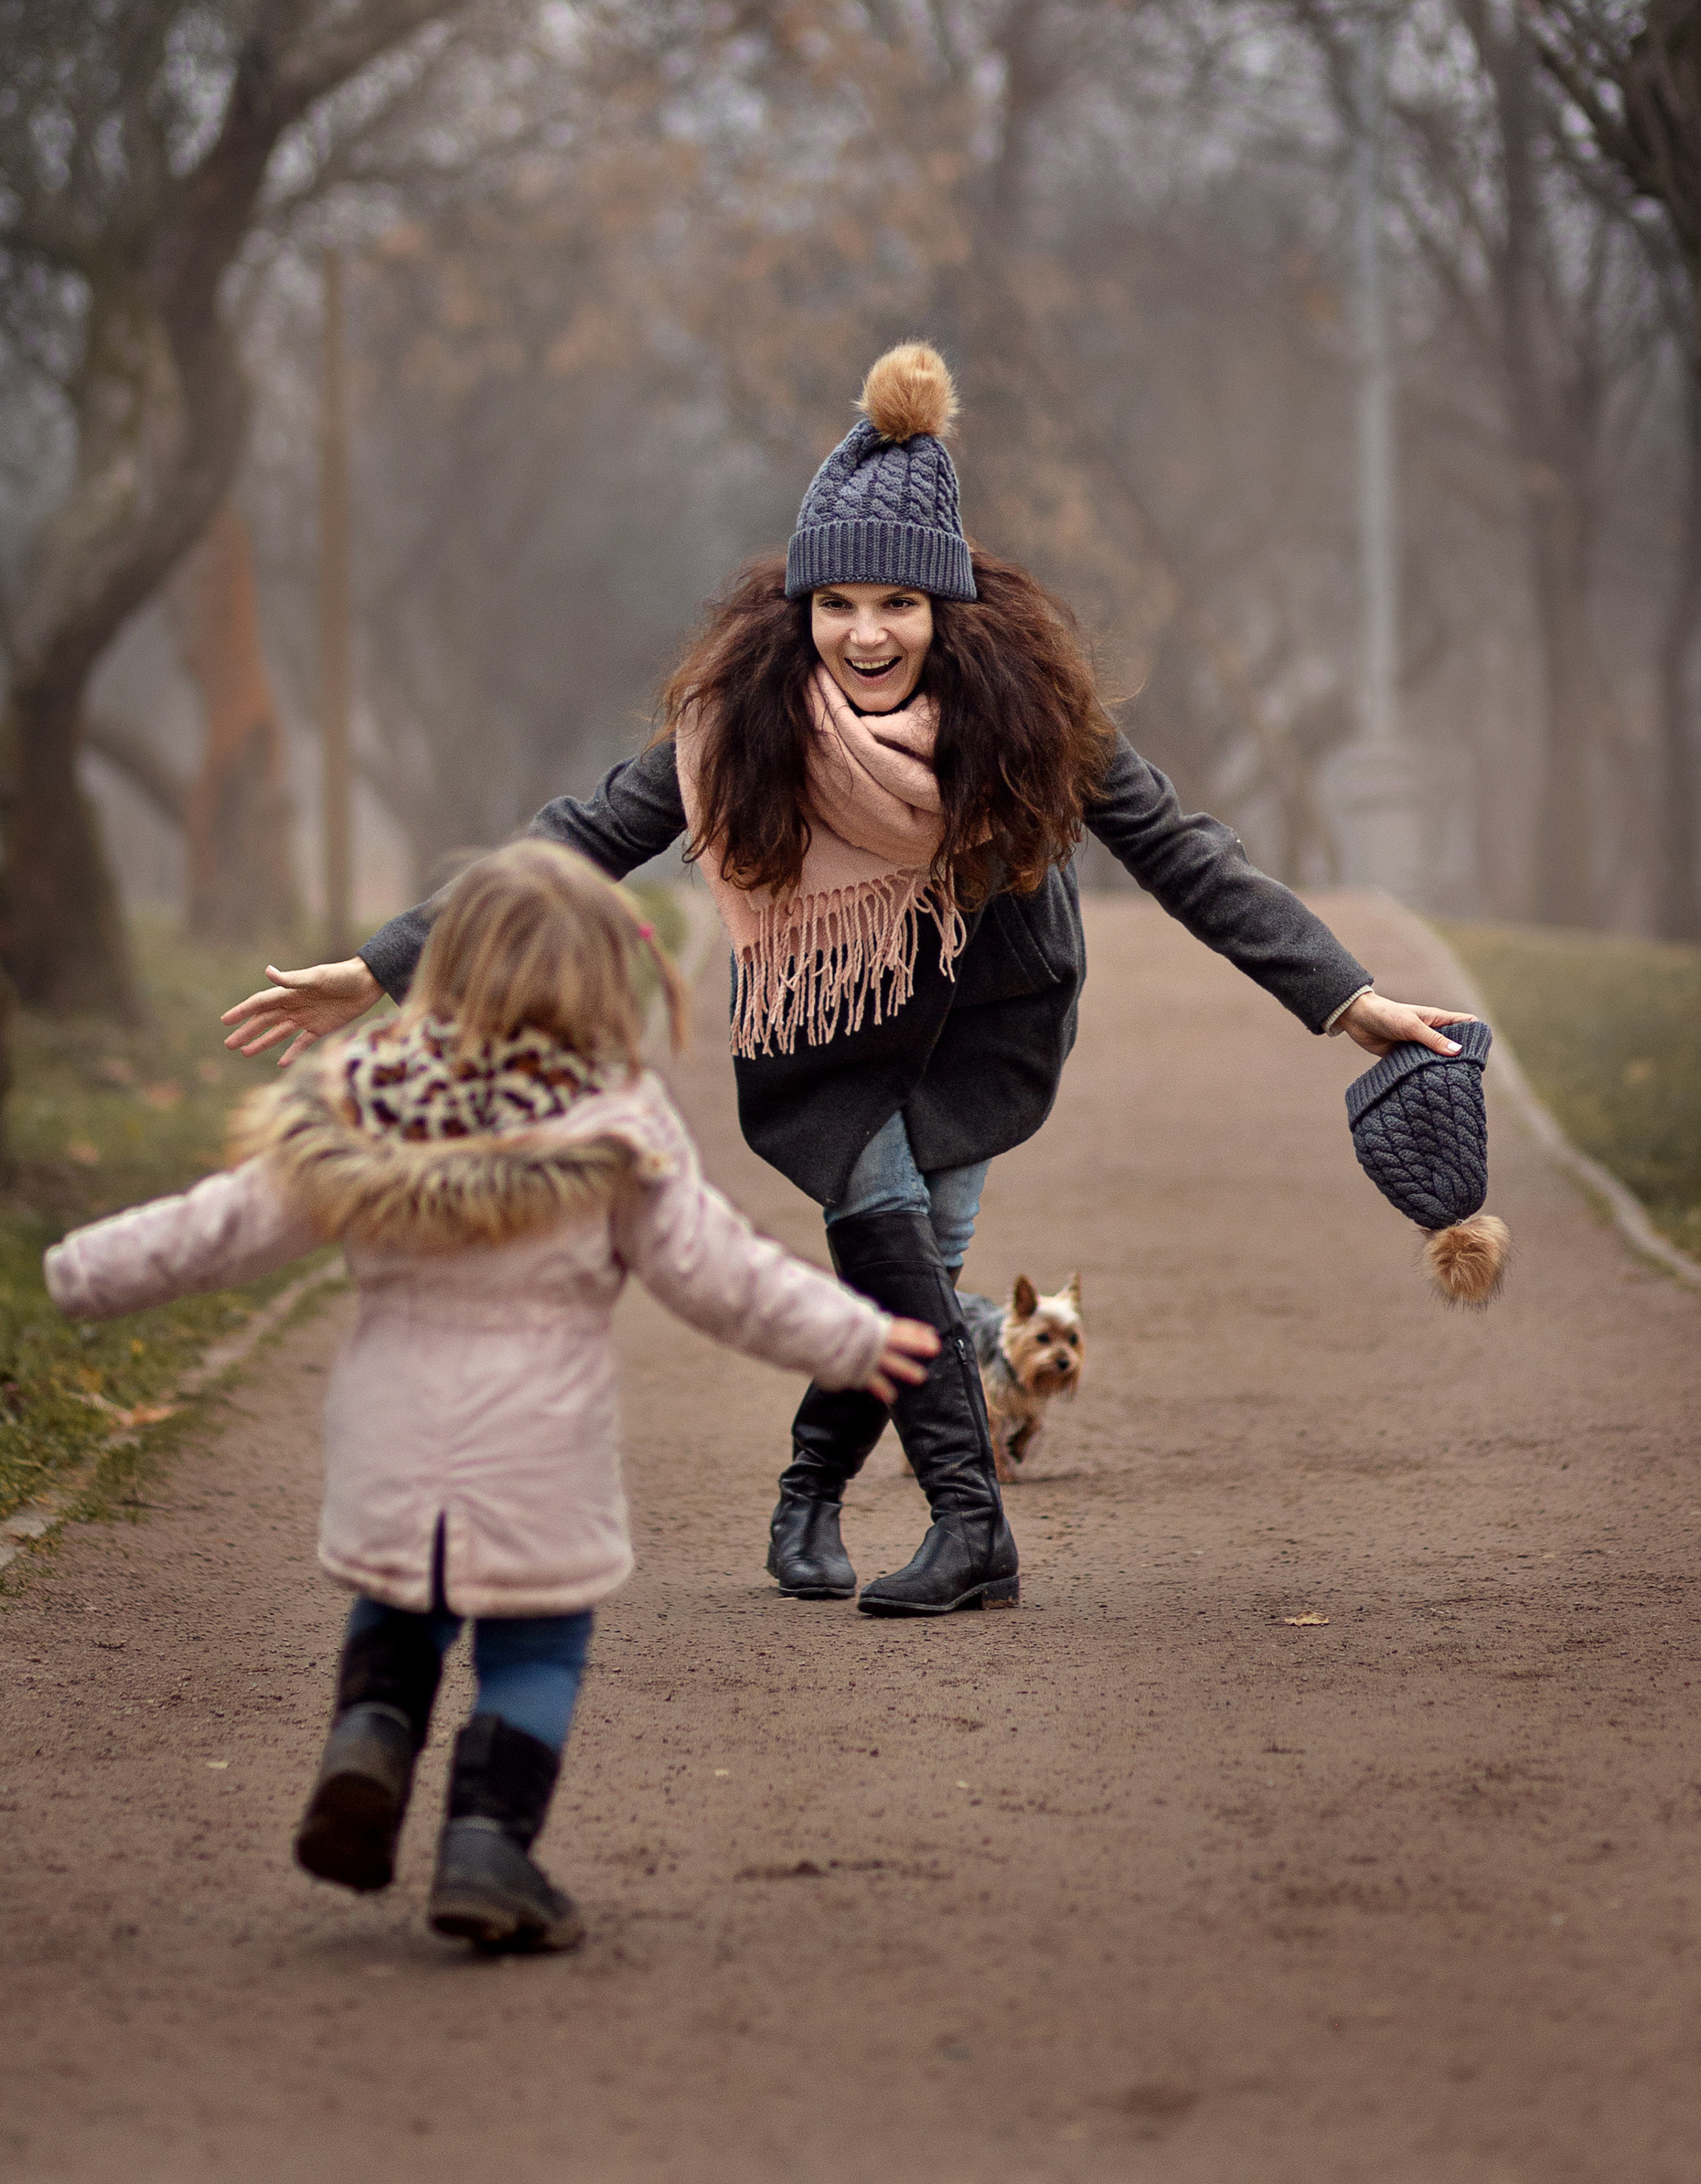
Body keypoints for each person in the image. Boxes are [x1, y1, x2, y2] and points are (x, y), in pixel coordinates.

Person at [224, 344, 1468, 1622]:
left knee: (911, 1270)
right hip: (820, 1028)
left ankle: (809, 1492)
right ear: (798, 609)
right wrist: (380, 968)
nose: (864, 634)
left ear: (946, 609)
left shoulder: (1035, 715)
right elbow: (576, 839)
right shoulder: (742, 724)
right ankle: (972, 1531)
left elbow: (1186, 854)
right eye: (836, 606)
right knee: (889, 1242)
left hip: (983, 1025)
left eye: (896, 605)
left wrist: (1346, 996)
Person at [47, 839, 935, 1954]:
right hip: (539, 1454)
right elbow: (722, 1273)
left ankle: (368, 1741)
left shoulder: (364, 1099)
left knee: (400, 1608)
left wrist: (83, 1266)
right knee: (535, 1644)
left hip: (389, 1445)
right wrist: (855, 1335)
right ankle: (486, 1845)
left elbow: (222, 1224)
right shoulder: (614, 1120)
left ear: (448, 965)